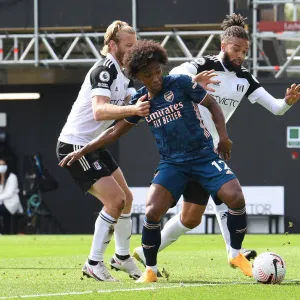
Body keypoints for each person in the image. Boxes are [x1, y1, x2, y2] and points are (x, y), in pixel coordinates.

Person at [59, 39, 253, 282]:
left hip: (203, 157)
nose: (155, 78)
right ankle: (150, 270)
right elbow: (113, 132)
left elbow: (212, 105)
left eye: (158, 71)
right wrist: (83, 150)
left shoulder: (180, 83)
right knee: (152, 211)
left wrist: (223, 138)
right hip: (173, 164)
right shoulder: (141, 103)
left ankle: (235, 254)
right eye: (148, 75)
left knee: (235, 196)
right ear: (139, 76)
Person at [132, 13, 300, 270]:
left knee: (192, 217)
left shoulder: (245, 78)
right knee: (220, 200)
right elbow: (173, 76)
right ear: (223, 46)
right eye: (236, 49)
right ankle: (234, 252)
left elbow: (276, 108)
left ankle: (151, 255)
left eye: (245, 51)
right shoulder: (202, 64)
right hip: (186, 148)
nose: (241, 55)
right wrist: (193, 81)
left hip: (209, 150)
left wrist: (287, 103)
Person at [56, 20, 148, 282]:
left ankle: (121, 257)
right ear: (112, 45)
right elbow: (99, 111)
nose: (133, 50)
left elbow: (138, 97)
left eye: (135, 45)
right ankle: (93, 263)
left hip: (94, 143)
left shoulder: (123, 73)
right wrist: (132, 110)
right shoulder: (104, 70)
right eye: (128, 46)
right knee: (115, 201)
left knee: (127, 199)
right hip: (75, 145)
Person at [0, 157, 23, 234]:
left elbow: (9, 193)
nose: (1, 166)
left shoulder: (12, 176)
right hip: (2, 204)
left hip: (11, 204)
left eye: (3, 164)